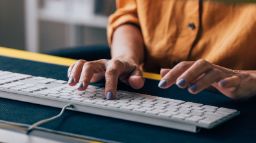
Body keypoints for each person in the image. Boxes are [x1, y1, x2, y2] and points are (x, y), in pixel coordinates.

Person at [67, 0, 256, 100]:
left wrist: (249, 78)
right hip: (148, 92)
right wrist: (126, 57)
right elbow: (131, 17)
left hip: (241, 105)